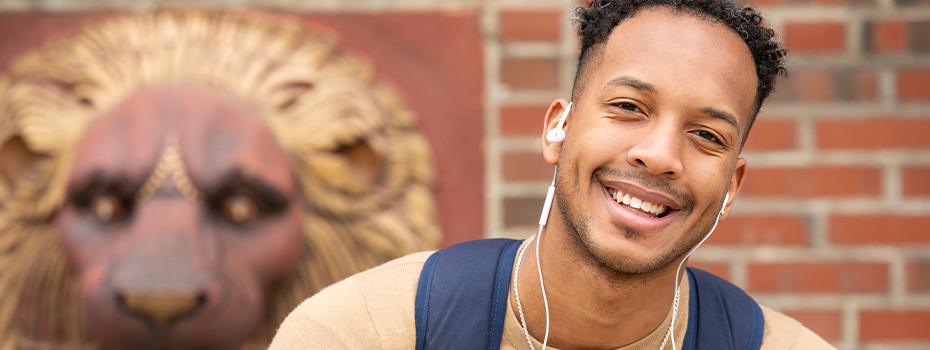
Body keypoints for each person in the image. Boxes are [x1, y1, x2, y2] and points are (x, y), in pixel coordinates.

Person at [269, 0, 836, 349]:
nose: (660, 154)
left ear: (731, 187)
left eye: (706, 136)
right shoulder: (364, 334)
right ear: (556, 130)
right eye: (628, 107)